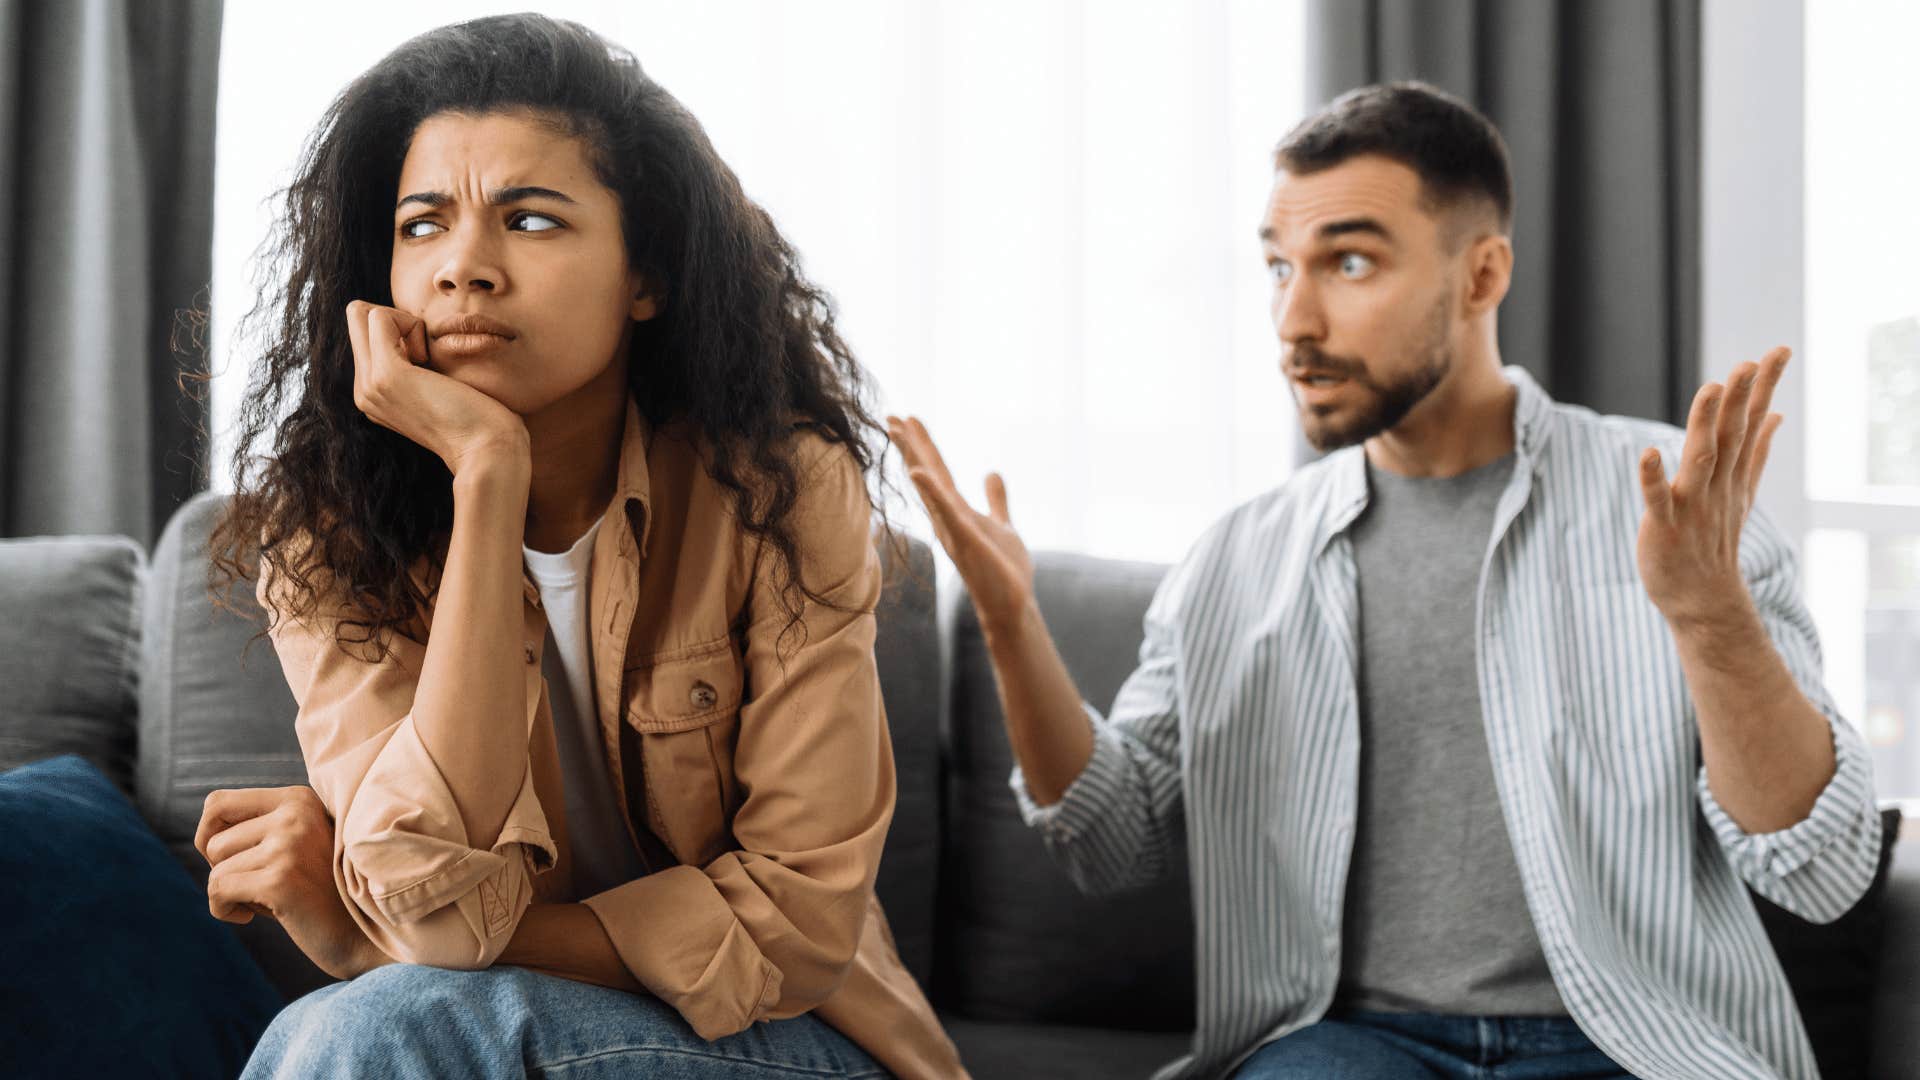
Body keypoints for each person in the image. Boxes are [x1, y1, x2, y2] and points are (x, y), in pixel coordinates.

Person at [891, 82, 1880, 1080]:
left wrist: (1710, 619)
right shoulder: (1235, 560)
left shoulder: (1676, 508)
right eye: (1279, 267)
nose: (1294, 320)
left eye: (1350, 261)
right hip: (1347, 1045)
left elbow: (1824, 869)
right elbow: (1107, 845)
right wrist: (1013, 624)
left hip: (1637, 1039)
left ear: (1482, 274)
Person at [193, 14, 965, 1079]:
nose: (463, 267)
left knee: (373, 1026)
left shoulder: (780, 492)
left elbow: (795, 922)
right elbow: (426, 885)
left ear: (644, 276)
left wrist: (366, 934)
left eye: (531, 219)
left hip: (793, 1044)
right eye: (421, 225)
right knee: (377, 1030)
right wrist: (487, 479)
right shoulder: (326, 539)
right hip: (472, 1039)